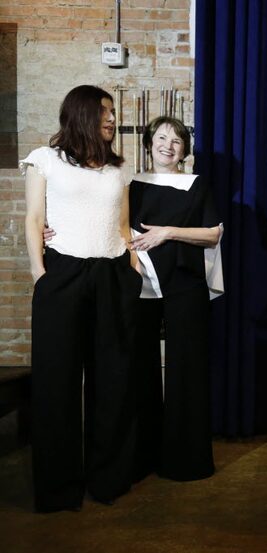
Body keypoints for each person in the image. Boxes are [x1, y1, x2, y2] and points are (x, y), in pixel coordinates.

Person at [48, 117, 224, 481]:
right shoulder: (129, 182)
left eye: (176, 140)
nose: (168, 145)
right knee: (136, 370)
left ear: (184, 150)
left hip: (185, 285)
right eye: (161, 137)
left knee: (186, 372)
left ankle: (185, 461)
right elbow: (101, 218)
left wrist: (167, 234)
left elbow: (212, 234)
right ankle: (140, 458)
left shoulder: (196, 184)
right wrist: (53, 229)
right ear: (148, 143)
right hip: (138, 285)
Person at [22, 85, 142, 512]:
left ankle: (108, 479)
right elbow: (35, 218)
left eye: (112, 112)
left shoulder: (118, 169)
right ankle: (58, 488)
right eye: (104, 112)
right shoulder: (45, 159)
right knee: (57, 383)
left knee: (113, 380)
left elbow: (124, 224)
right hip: (64, 274)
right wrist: (40, 274)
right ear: (81, 114)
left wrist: (133, 267)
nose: (111, 119)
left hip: (112, 274)